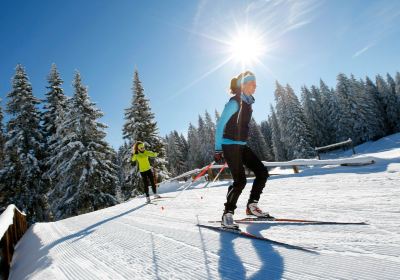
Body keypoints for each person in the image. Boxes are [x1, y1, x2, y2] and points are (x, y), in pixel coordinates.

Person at [214, 71, 271, 229]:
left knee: (262, 172)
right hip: (229, 145)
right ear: (244, 85)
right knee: (240, 181)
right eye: (253, 84)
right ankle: (227, 214)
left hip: (241, 145)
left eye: (255, 85)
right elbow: (220, 125)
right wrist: (218, 149)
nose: (255, 87)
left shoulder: (248, 103)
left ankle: (252, 206)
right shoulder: (234, 103)